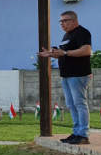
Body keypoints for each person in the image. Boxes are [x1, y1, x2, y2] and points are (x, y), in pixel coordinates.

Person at [38, 10, 93, 145]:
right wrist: (52, 54)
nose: (62, 24)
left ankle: (83, 134)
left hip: (78, 74)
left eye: (65, 21)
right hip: (67, 75)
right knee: (71, 105)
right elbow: (64, 53)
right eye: (60, 21)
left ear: (74, 20)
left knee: (80, 104)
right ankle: (76, 132)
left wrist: (65, 52)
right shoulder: (67, 35)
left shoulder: (82, 32)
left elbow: (86, 50)